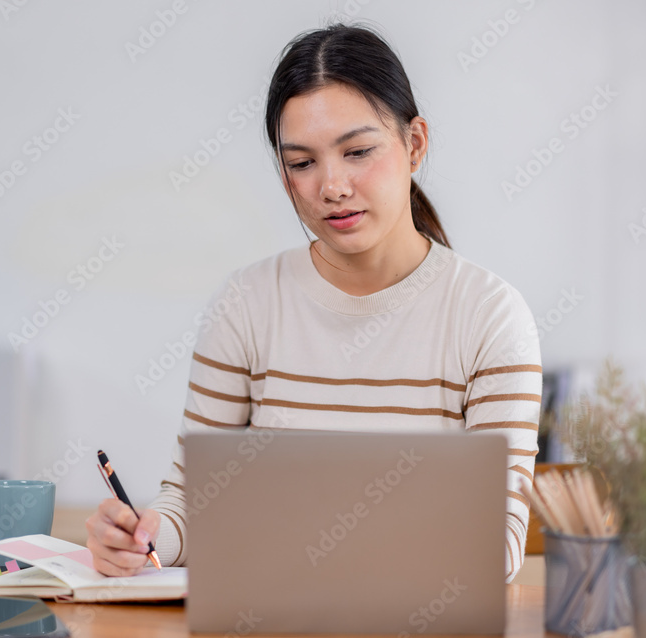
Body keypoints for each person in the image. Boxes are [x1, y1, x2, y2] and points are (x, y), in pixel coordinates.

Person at [86, 23, 542, 583]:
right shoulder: (247, 304)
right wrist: (144, 535)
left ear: (415, 144)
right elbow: (197, 503)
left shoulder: (489, 316)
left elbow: (497, 545)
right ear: (283, 176)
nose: (332, 186)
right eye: (302, 163)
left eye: (357, 152)